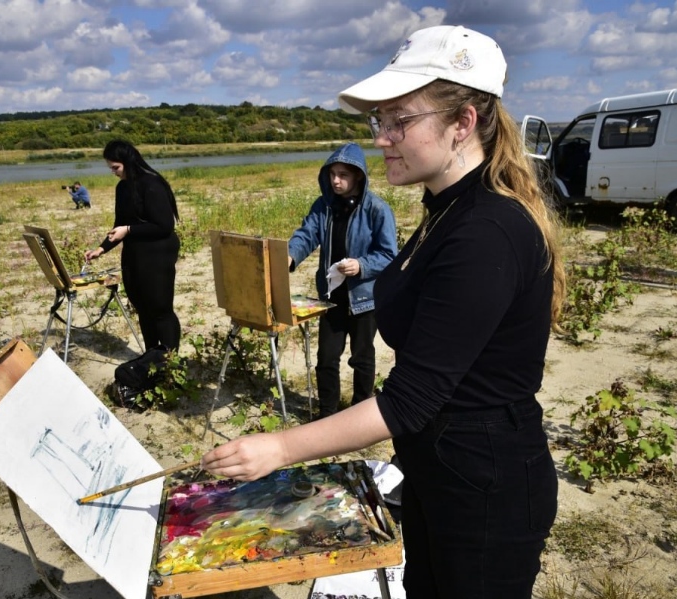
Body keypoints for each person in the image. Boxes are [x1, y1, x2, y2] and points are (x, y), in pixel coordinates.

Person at [202, 25, 565, 599]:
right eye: (380, 121)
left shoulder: (486, 231)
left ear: (463, 122)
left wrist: (280, 447)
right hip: (437, 469)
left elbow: (409, 399)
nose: (383, 139)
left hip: (485, 488)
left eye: (400, 120)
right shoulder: (445, 210)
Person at [287, 142, 397, 419]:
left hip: (364, 298)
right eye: (332, 174)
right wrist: (289, 256)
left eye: (343, 175)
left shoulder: (377, 209)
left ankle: (360, 413)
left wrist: (361, 265)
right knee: (326, 358)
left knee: (362, 358)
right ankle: (327, 414)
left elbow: (389, 256)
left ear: (358, 175)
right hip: (331, 296)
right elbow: (306, 235)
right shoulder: (323, 206)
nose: (336, 181)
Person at [84, 140, 181, 351]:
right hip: (134, 255)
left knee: (160, 308)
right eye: (111, 168)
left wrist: (129, 230)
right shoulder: (122, 188)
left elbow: (164, 226)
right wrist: (101, 249)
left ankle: (169, 359)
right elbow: (119, 224)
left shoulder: (152, 184)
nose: (113, 172)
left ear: (128, 162)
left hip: (158, 254)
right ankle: (151, 355)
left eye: (116, 167)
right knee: (143, 308)